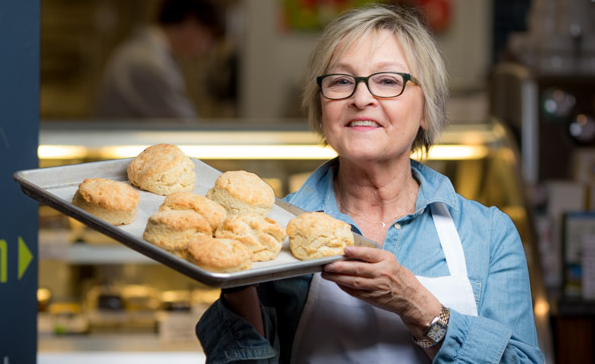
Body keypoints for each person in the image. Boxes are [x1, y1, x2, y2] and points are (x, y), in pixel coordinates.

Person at [195, 4, 544, 363]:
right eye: (341, 81)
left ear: (426, 110)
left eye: (388, 81)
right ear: (321, 106)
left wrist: (416, 304)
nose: (360, 99)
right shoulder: (275, 230)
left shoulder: (488, 235)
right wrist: (237, 285)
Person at [95, 0, 222, 120]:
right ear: (191, 23)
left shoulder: (144, 52)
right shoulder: (148, 63)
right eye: (208, 36)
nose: (206, 48)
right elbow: (183, 123)